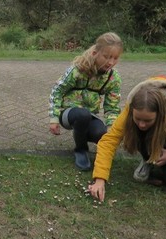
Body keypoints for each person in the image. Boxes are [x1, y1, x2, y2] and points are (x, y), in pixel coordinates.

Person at [88, 77, 166, 203]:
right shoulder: (131, 109)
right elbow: (109, 141)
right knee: (138, 130)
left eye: (147, 120)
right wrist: (100, 179)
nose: (141, 124)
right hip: (147, 138)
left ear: (161, 114)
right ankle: (148, 159)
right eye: (138, 119)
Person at [49, 32, 123, 171]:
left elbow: (112, 107)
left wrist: (111, 129)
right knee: (82, 115)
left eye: (115, 58)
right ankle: (80, 150)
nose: (111, 62)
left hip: (90, 116)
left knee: (101, 134)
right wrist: (53, 118)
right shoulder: (77, 70)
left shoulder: (114, 78)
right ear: (95, 53)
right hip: (68, 113)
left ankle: (82, 135)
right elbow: (57, 91)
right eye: (106, 57)